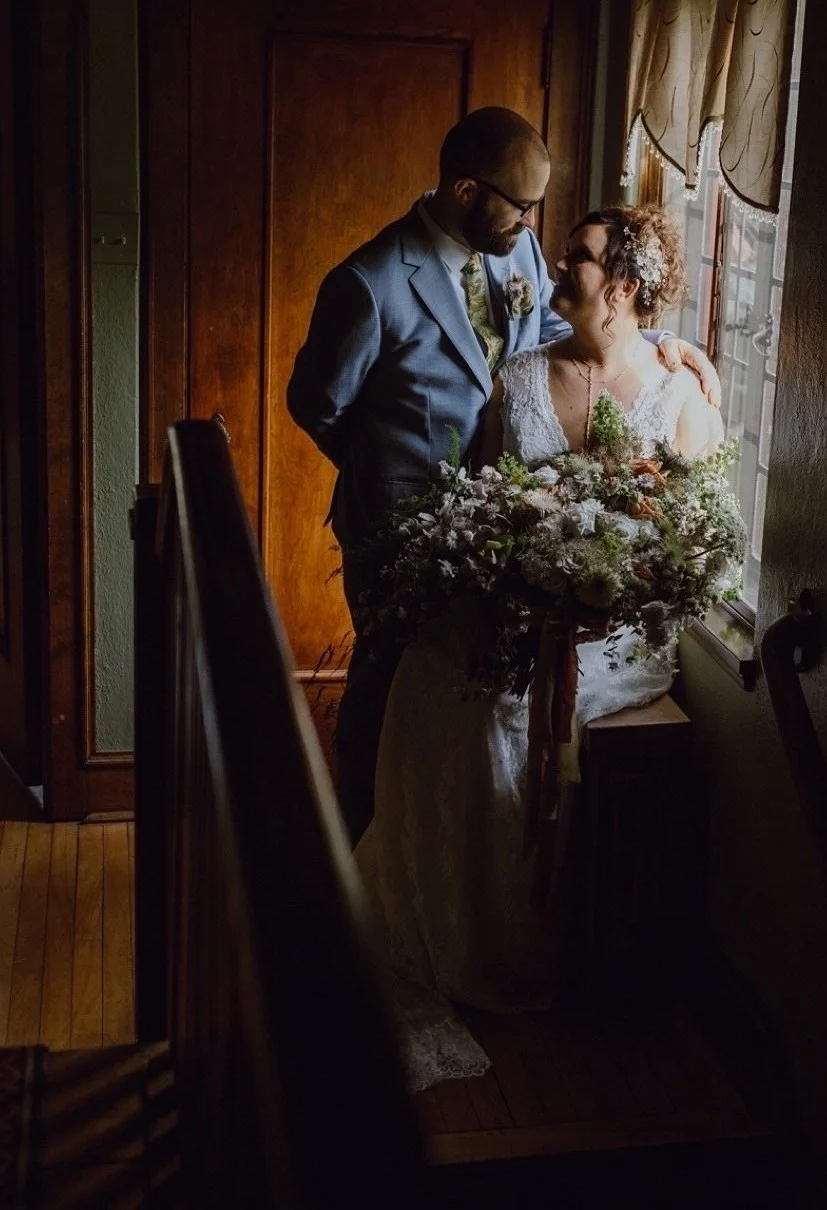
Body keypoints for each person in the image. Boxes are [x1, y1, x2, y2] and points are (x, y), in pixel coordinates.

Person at [355, 203, 724, 1090]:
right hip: (518, 602)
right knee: (429, 674)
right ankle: (444, 923)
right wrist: (500, 575)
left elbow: (691, 546)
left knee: (498, 713)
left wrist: (594, 592)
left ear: (625, 286)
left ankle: (513, 950)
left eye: (581, 260)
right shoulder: (520, 374)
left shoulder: (678, 395)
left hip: (615, 632)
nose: (559, 265)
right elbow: (485, 493)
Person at [287, 108, 720, 846]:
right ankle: (357, 849)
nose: (531, 225)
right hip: (406, 527)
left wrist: (659, 338)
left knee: (466, 699)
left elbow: (563, 331)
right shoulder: (369, 283)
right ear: (464, 191)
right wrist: (387, 474)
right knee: (389, 689)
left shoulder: (511, 254)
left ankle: (452, 846)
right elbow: (317, 405)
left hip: (509, 529)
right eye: (520, 205)